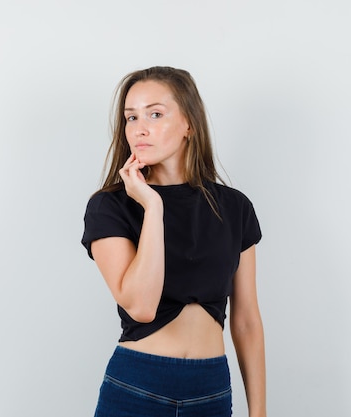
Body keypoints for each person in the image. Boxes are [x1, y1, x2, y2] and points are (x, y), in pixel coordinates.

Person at [81, 66, 266, 417]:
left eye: (155, 113)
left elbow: (246, 320)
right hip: (137, 386)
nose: (140, 128)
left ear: (189, 125)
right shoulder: (110, 207)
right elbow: (141, 306)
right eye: (131, 117)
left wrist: (259, 413)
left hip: (211, 391)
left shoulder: (234, 207)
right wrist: (152, 205)